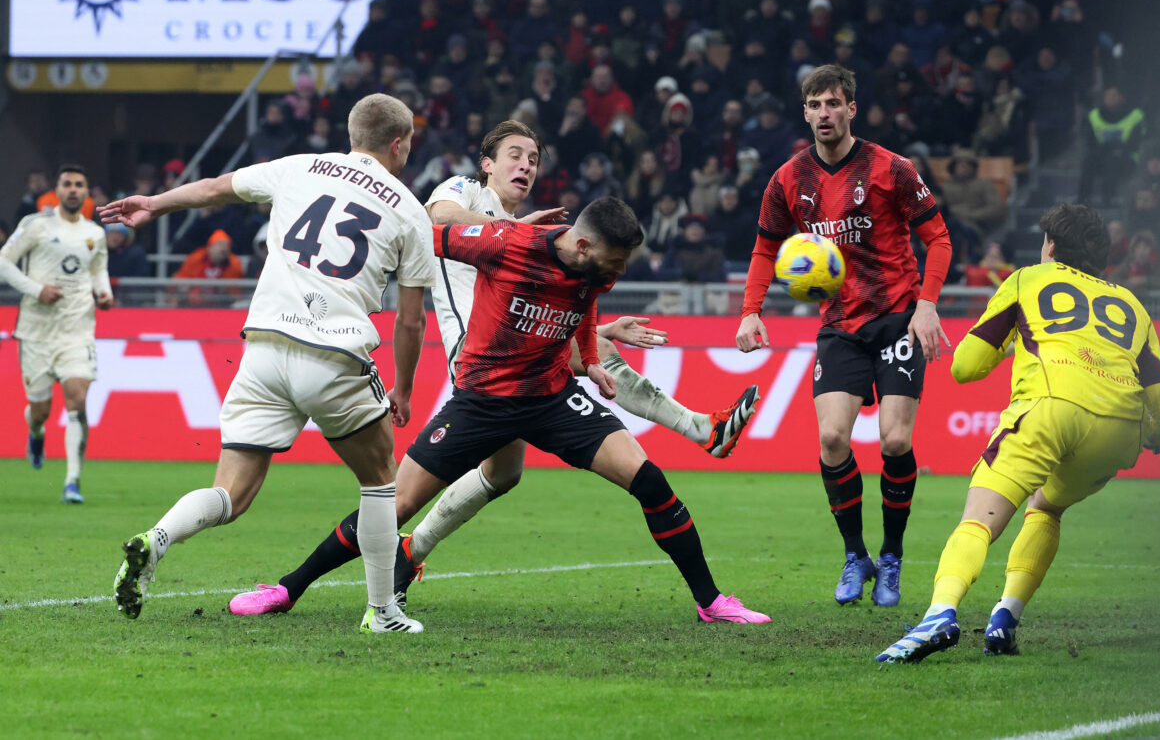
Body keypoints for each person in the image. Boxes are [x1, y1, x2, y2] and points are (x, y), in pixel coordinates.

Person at [229, 120, 761, 617]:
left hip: (551, 397)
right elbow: (426, 230)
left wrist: (594, 360)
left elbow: (584, 301)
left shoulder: (594, 262)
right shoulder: (490, 224)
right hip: (482, 393)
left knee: (647, 482)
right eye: (515, 154)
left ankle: (711, 601)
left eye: (533, 157)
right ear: (487, 162)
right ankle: (288, 587)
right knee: (392, 503)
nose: (526, 165)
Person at [98, 94, 435, 634]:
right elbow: (411, 321)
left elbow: (212, 189)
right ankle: (382, 612)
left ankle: (155, 540)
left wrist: (154, 204)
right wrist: (405, 387)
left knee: (230, 494)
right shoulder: (410, 210)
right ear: (398, 144)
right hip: (334, 353)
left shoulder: (299, 168)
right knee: (380, 483)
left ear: (353, 134)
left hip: (263, 349)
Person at [876, 204, 1160, 663]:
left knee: (980, 519)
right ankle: (1005, 619)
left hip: (1050, 407)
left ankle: (940, 614)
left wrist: (1009, 343)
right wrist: (1151, 432)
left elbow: (965, 367)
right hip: (1119, 430)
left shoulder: (1027, 280)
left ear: (1052, 247)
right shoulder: (1134, 307)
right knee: (1046, 506)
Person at [735, 64, 953, 608]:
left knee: (896, 442)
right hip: (839, 327)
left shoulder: (892, 168)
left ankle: (894, 555)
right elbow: (765, 249)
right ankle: (856, 555)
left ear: (851, 109)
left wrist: (927, 307)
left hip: (898, 317)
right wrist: (750, 311)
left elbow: (939, 239)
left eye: (834, 103)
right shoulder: (788, 179)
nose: (824, 113)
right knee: (832, 440)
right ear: (804, 112)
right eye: (814, 105)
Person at [0, 164, 112, 503]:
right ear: (57, 190)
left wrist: (103, 291)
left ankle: (72, 480)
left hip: (77, 329)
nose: (74, 189)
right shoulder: (35, 225)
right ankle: (36, 433)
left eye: (80, 184)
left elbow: (99, 268)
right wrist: (36, 290)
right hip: (36, 332)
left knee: (78, 398)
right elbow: (4, 261)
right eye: (68, 184)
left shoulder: (96, 233)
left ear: (86, 191)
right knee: (41, 410)